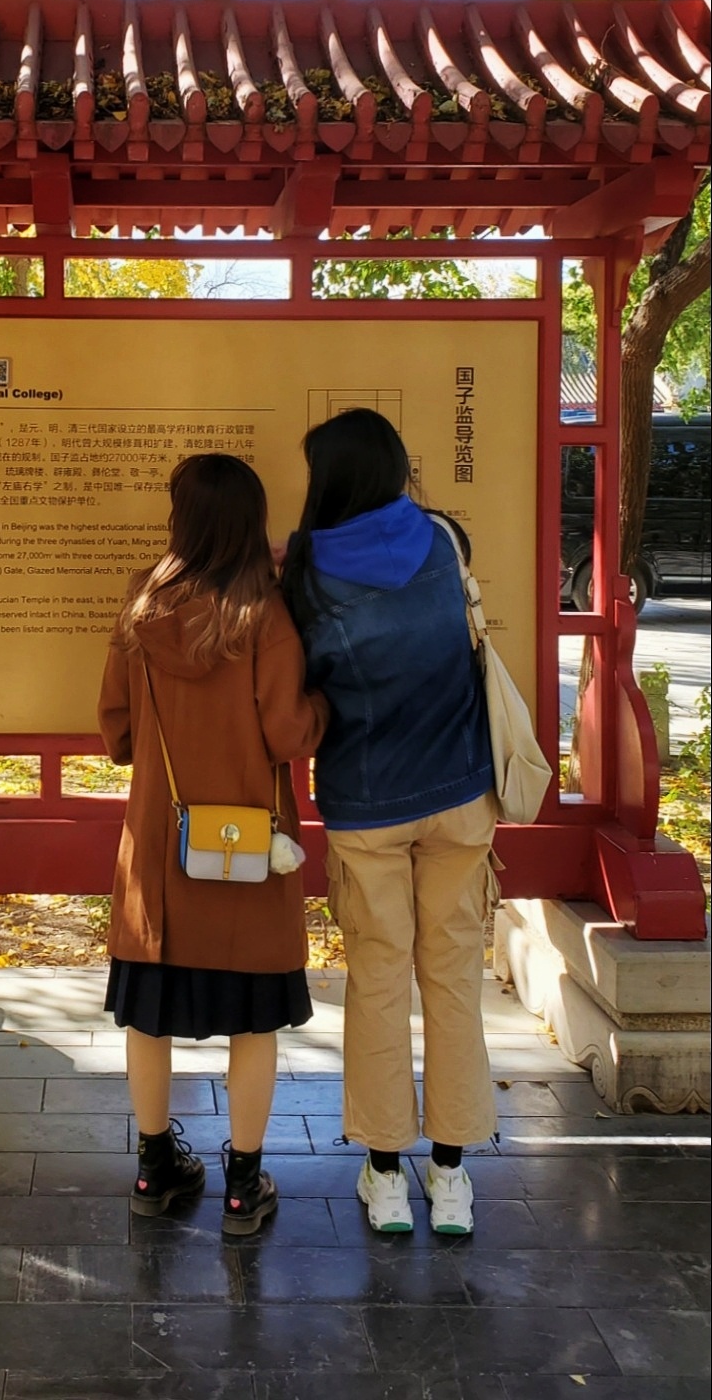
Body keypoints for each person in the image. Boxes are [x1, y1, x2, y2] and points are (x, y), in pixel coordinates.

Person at [99, 452, 328, 1238]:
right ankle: (243, 1185)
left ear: (183, 520)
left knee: (147, 1017)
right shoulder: (264, 613)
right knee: (253, 1023)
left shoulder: (142, 602)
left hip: (159, 859)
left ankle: (153, 1168)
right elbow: (288, 732)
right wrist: (325, 709)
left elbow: (116, 732)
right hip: (248, 854)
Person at [281, 408, 497, 1238]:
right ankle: (452, 1176)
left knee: (378, 979)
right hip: (461, 793)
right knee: (454, 977)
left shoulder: (306, 571)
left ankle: (384, 1178)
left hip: (366, 802)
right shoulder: (444, 538)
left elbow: (302, 678)